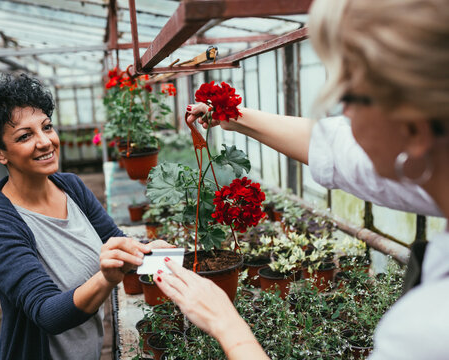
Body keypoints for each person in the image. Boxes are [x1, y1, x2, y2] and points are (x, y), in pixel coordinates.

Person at [155, 0, 449, 359]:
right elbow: (336, 147)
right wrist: (227, 112)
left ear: (414, 128)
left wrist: (225, 323)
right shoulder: (429, 157)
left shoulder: (427, 331)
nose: (345, 115)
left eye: (350, 95)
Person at [0, 74, 170, 360]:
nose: (45, 142)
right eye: (25, 136)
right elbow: (48, 314)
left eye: (47, 127)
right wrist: (106, 278)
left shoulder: (70, 187)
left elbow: (116, 241)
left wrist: (149, 251)